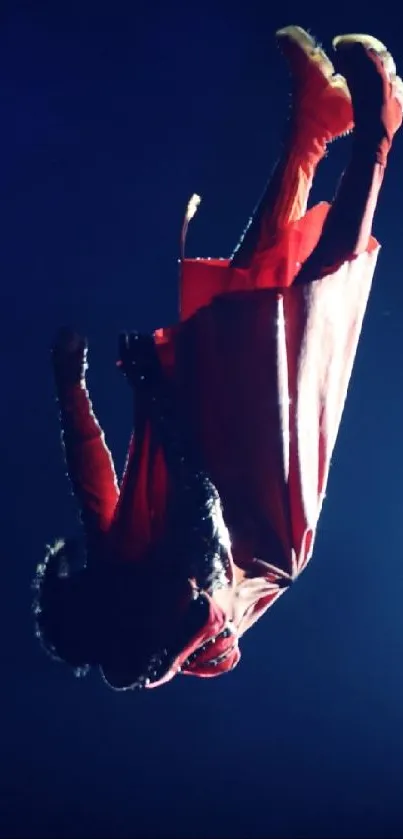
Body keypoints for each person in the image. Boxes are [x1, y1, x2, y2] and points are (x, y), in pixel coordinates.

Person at [34, 28, 403, 690]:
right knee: (303, 299)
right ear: (89, 600)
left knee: (242, 292)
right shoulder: (147, 634)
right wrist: (156, 397)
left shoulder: (115, 572)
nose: (87, 550)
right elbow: (199, 523)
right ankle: (376, 133)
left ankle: (315, 125)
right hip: (258, 512)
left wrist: (71, 382)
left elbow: (91, 480)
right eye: (79, 567)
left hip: (216, 460)